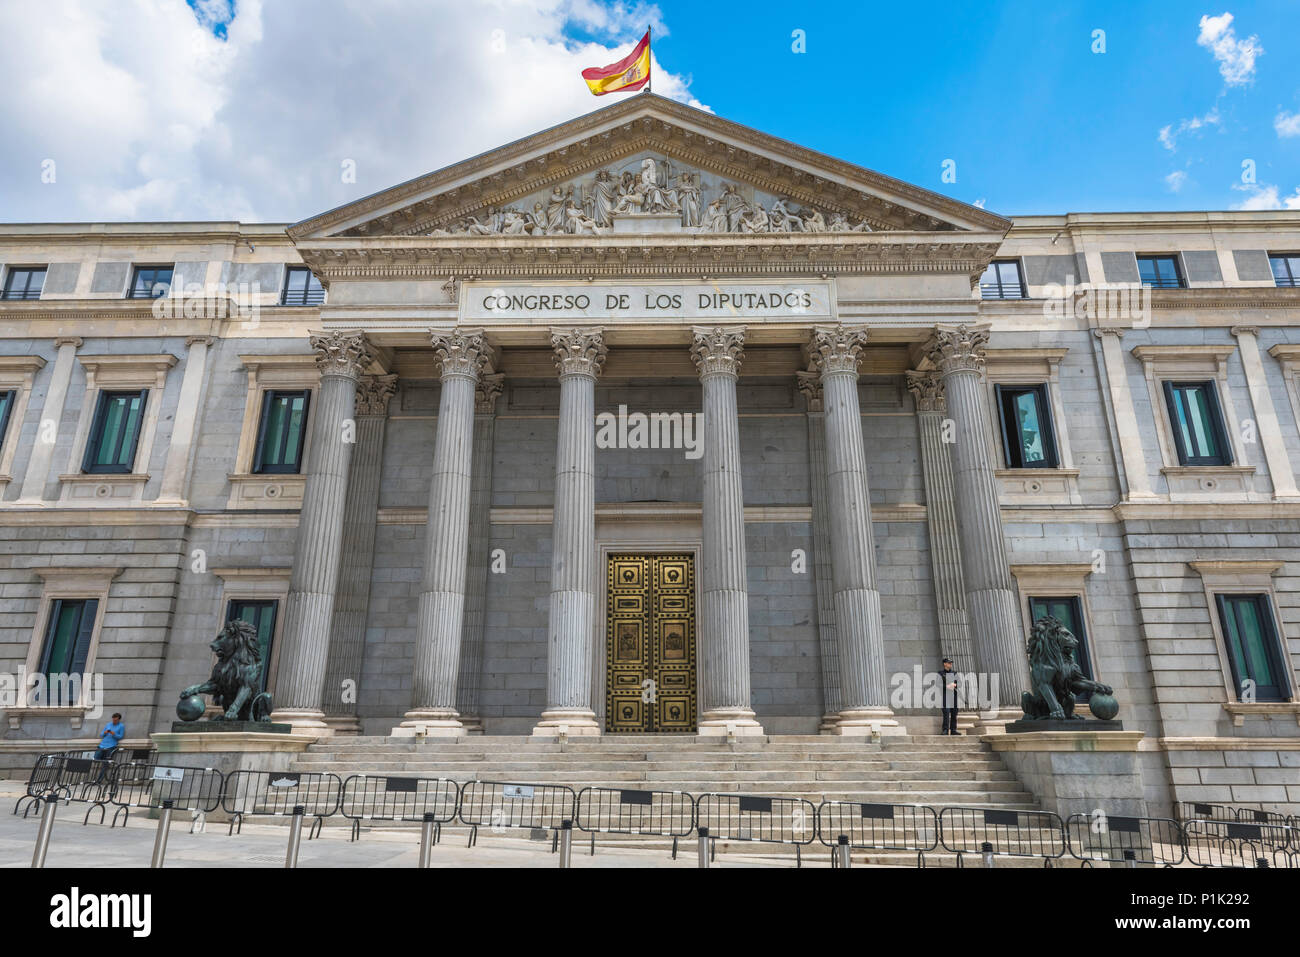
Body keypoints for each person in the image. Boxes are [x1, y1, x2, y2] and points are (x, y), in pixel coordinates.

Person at [939, 659, 959, 735]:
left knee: (954, 713)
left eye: (951, 663)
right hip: (945, 696)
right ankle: (945, 730)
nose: (950, 664)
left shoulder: (954, 673)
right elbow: (938, 684)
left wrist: (955, 685)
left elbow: (959, 683)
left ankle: (953, 730)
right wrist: (947, 686)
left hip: (953, 696)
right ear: (945, 664)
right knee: (946, 713)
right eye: (949, 663)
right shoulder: (940, 673)